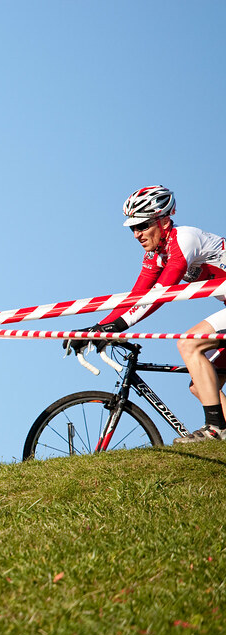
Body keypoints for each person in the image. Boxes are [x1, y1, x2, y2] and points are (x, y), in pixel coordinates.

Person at [65, 185, 226, 443]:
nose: (136, 234)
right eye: (132, 228)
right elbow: (136, 298)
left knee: (189, 343)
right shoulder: (155, 255)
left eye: (142, 226)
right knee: (202, 386)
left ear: (163, 221)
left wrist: (113, 328)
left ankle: (215, 430)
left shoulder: (185, 239)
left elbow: (160, 294)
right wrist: (97, 328)